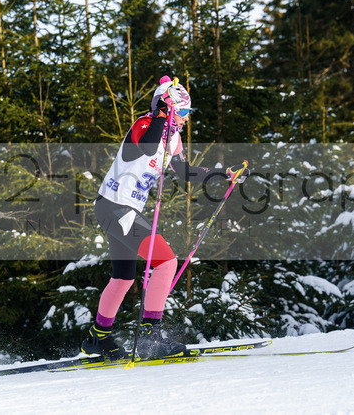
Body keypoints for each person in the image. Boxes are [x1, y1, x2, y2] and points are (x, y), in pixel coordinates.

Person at [81, 75, 249, 360]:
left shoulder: (174, 139)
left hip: (123, 210)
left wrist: (224, 174)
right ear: (167, 106)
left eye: (187, 111)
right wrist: (160, 113)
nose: (186, 117)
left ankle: (98, 337)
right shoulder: (144, 125)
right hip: (115, 207)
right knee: (166, 262)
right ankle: (151, 337)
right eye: (182, 110)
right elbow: (147, 147)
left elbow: (185, 171)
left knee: (123, 278)